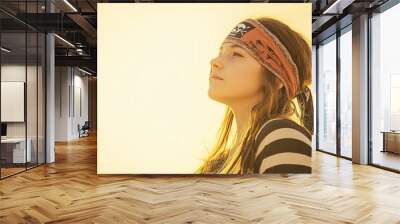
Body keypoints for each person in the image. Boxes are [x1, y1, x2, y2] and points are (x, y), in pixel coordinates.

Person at [196, 17, 313, 174]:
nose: (215, 61)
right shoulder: (224, 159)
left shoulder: (281, 136)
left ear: (277, 79)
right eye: (221, 51)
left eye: (237, 54)